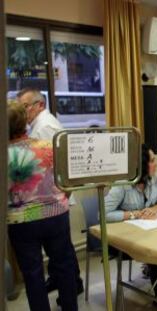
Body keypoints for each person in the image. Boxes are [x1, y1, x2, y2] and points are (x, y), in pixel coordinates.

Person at [7, 103, 78, 311]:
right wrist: (61, 199)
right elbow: (68, 180)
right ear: (24, 121)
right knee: (64, 268)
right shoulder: (48, 147)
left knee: (33, 274)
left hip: (22, 221)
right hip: (56, 215)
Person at [104, 144, 157, 308]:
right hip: (124, 240)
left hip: (148, 232)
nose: (156, 164)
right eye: (151, 161)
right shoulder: (122, 184)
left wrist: (154, 208)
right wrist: (134, 214)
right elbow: (104, 214)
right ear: (141, 166)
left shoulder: (155, 178)